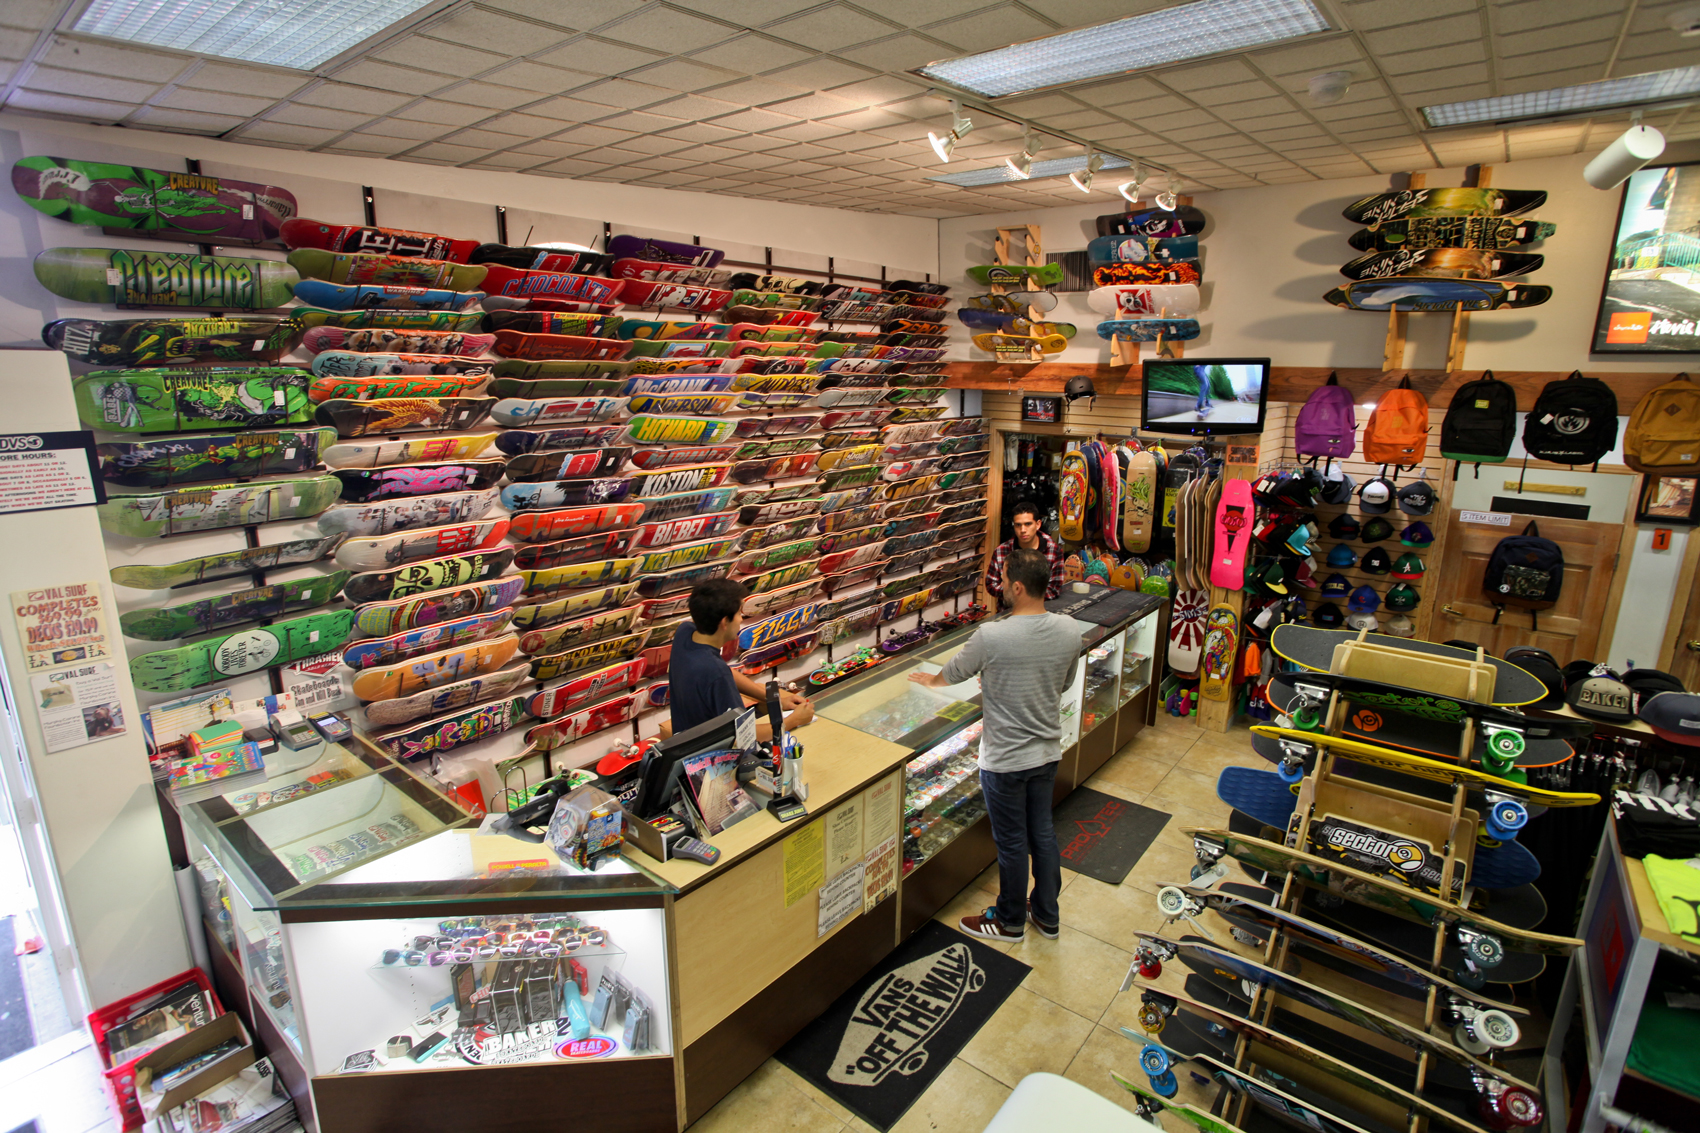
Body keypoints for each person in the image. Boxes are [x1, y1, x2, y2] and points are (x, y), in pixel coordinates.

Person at [910, 549, 1080, 942]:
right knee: (1043, 833)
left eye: (1003, 580)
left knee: (1012, 843)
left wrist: (930, 682)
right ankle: (1046, 915)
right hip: (1046, 752)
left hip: (1004, 759)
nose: (999, 585)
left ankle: (1008, 922)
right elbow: (1065, 682)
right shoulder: (1069, 630)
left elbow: (953, 672)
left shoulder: (992, 635)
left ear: (1018, 587)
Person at [669, 577, 814, 740]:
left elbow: (726, 673)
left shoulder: (685, 633)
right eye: (739, 613)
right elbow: (744, 737)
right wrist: (793, 721)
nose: (741, 619)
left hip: (684, 741)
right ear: (724, 622)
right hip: (709, 758)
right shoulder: (715, 673)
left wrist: (776, 700)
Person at [983, 500, 1063, 605]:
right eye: (1018, 525)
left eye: (1028, 524)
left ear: (1038, 524)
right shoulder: (1001, 551)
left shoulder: (1053, 550)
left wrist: (1013, 590)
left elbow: (1054, 589)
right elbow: (991, 585)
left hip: (1040, 612)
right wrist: (1033, 591)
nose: (1023, 530)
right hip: (1009, 613)